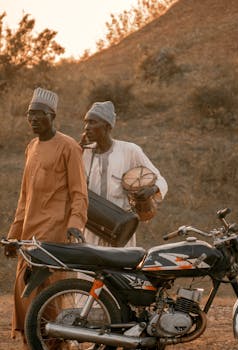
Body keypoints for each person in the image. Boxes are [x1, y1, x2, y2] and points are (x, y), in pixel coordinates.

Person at [4, 87, 88, 349]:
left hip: (55, 237)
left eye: (39, 114)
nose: (33, 120)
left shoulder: (69, 146)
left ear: (52, 116)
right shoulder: (31, 147)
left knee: (50, 299)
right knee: (24, 296)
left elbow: (79, 193)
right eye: (30, 115)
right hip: (29, 237)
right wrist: (13, 236)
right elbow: (24, 197)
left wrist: (75, 225)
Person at [80, 100, 168, 247]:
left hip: (121, 230)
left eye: (92, 122)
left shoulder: (129, 151)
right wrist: (77, 150)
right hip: (91, 231)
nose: (86, 127)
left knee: (119, 269)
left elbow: (160, 180)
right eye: (86, 122)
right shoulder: (83, 153)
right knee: (88, 270)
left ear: (107, 126)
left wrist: (151, 190)